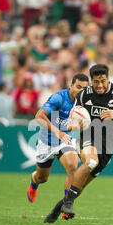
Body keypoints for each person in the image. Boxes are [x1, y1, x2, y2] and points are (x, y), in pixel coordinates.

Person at [44, 64, 113, 223]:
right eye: (96, 82)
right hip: (88, 137)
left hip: (107, 145)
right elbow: (73, 119)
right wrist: (74, 124)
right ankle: (69, 203)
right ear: (91, 81)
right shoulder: (84, 94)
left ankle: (58, 208)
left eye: (103, 81)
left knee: (80, 187)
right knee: (91, 161)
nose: (99, 85)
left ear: (108, 78)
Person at [27, 73, 89, 204]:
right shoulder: (59, 98)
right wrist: (58, 132)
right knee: (42, 178)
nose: (81, 91)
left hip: (65, 140)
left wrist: (80, 125)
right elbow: (39, 116)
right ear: (71, 85)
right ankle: (33, 181)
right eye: (78, 87)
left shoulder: (85, 103)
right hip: (47, 142)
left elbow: (75, 123)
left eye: (84, 88)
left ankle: (67, 204)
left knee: (72, 167)